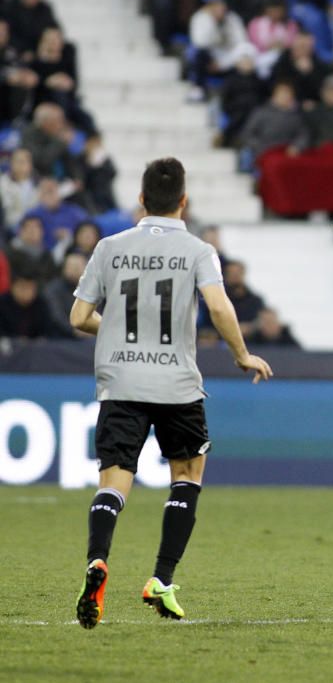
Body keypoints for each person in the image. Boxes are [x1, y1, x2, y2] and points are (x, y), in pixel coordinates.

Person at [71, 158, 273, 629]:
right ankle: (161, 578)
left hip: (120, 382)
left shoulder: (109, 247)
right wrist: (241, 355)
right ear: (184, 201)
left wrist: (118, 332)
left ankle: (98, 560)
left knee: (114, 481)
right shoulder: (198, 250)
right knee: (187, 475)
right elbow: (220, 307)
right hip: (177, 384)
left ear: (141, 200)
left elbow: (79, 318)